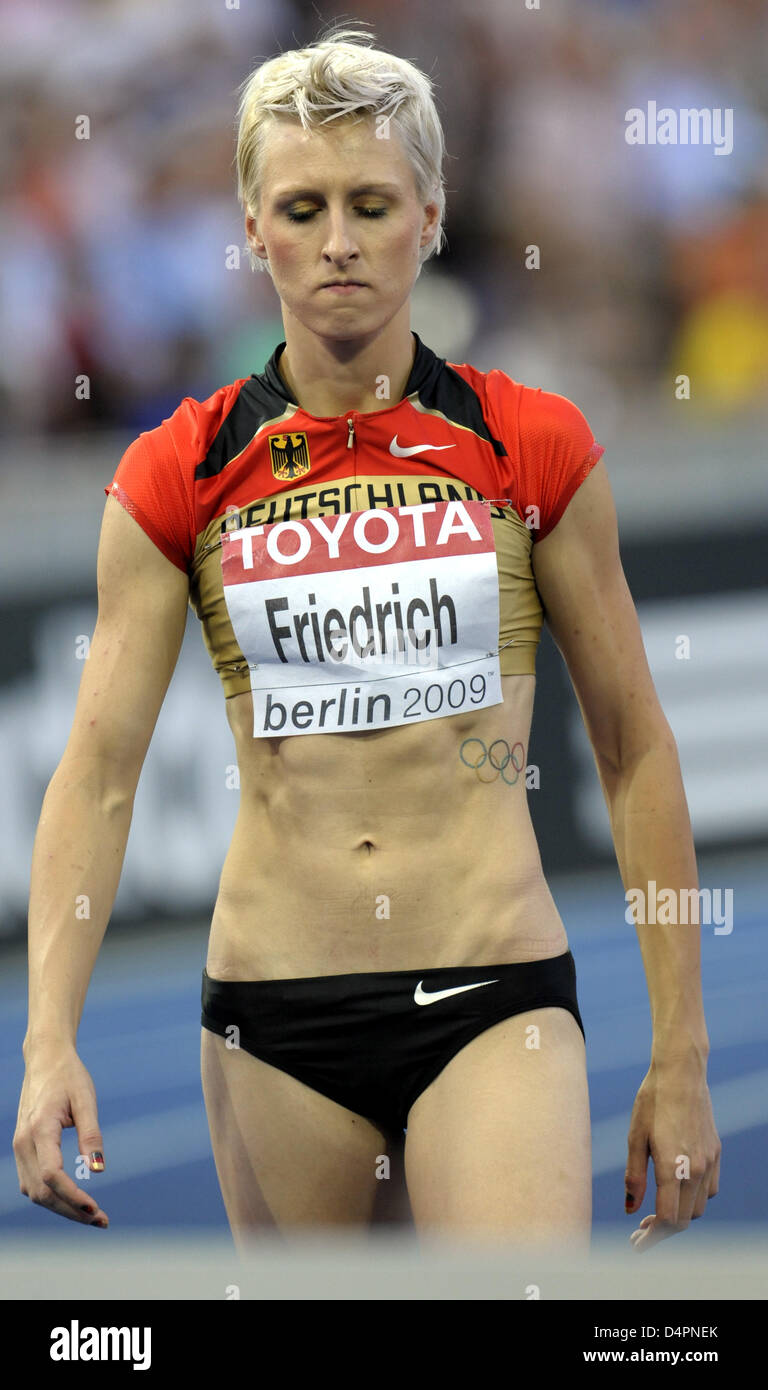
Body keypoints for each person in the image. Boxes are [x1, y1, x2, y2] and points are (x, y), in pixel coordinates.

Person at [14, 25, 720, 1252]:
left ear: (432, 215)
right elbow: (100, 770)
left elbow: (634, 746)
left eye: (371, 204)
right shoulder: (177, 469)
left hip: (492, 989)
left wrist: (682, 1052)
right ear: (250, 227)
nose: (337, 241)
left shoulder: (529, 447)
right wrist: (45, 1042)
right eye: (301, 206)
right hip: (274, 1019)